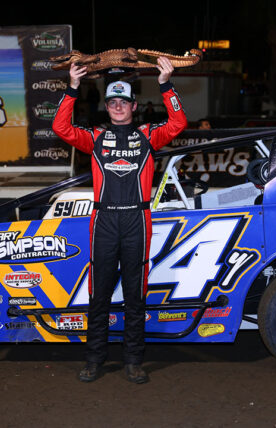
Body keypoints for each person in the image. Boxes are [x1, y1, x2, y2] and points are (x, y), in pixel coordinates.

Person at [52, 57, 187, 384]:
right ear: (107, 105)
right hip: (103, 220)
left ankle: (133, 360)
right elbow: (61, 128)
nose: (117, 107)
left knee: (134, 295)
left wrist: (166, 84)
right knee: (98, 296)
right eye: (112, 102)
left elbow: (179, 123)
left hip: (137, 220)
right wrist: (72, 87)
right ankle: (94, 359)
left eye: (123, 102)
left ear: (133, 105)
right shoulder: (95, 136)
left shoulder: (148, 135)